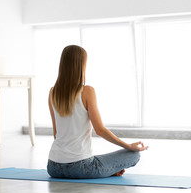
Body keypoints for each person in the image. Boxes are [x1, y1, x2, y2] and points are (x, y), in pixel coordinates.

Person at [47, 45, 148, 179]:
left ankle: (107, 170)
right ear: (81, 65)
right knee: (133, 155)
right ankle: (107, 170)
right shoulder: (87, 91)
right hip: (81, 168)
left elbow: (56, 134)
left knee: (98, 159)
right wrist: (128, 146)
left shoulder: (53, 92)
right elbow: (100, 130)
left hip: (53, 167)